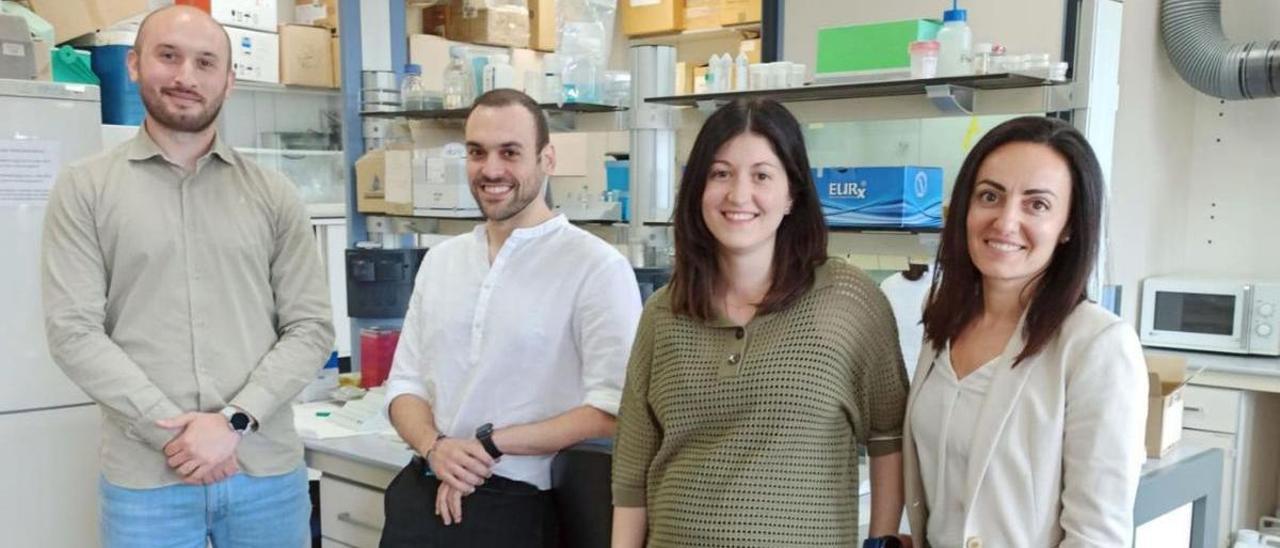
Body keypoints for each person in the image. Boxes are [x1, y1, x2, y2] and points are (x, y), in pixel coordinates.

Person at [41, 6, 334, 547]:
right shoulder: (85, 189)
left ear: (229, 79)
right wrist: (175, 435)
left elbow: (311, 327)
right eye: (168, 56)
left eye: (205, 63)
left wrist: (233, 424)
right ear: (134, 65)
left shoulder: (274, 195)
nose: (185, 77)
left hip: (264, 475)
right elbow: (73, 333)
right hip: (145, 486)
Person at [611, 98, 911, 547]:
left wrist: (881, 543)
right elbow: (632, 477)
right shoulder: (663, 312)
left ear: (793, 194)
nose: (738, 195)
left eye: (762, 175)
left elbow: (889, 437)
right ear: (697, 189)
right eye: (720, 173)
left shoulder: (848, 300)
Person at [379, 89, 642, 548]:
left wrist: (493, 445)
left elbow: (615, 410)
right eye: (477, 153)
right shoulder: (442, 261)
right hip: (424, 489)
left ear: (547, 159)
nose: (492, 169)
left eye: (510, 153)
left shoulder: (596, 267)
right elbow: (404, 386)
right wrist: (436, 447)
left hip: (522, 504)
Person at [902, 116, 1148, 547]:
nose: (1005, 221)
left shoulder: (1097, 345)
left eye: (1037, 204)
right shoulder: (942, 317)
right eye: (990, 196)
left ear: (1069, 225)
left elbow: (1097, 536)